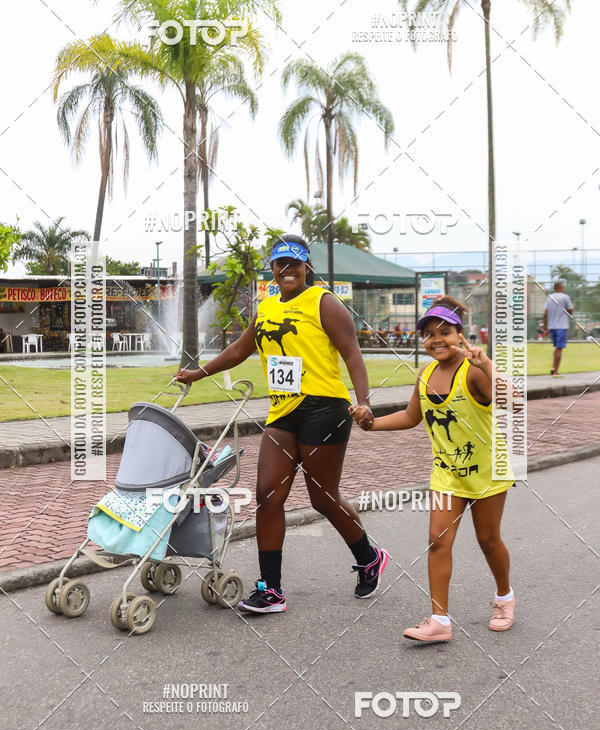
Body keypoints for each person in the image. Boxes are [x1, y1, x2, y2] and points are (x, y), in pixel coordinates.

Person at [175, 234, 388, 613]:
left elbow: (352, 354)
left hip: (325, 408)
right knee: (267, 495)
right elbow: (240, 349)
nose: (287, 270)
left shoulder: (324, 302)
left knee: (323, 498)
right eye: (280, 264)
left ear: (306, 266)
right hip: (282, 413)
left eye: (294, 263)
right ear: (272, 269)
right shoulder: (266, 307)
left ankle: (369, 557)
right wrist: (198, 373)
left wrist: (364, 402)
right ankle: (271, 589)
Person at [350, 296, 515, 644]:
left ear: (460, 334)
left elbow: (513, 401)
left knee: (488, 540)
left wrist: (488, 366)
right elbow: (412, 416)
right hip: (447, 474)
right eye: (428, 334)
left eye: (444, 332)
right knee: (438, 541)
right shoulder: (425, 375)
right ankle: (439, 620)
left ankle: (504, 596)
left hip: (487, 471)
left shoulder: (473, 372)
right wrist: (371, 424)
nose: (436, 340)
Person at [543, 281, 573, 376]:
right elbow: (570, 311)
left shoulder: (549, 298)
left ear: (554, 288)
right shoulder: (565, 297)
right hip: (562, 326)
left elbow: (545, 313)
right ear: (561, 288)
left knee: (557, 348)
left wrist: (545, 328)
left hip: (552, 327)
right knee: (559, 348)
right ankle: (555, 371)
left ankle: (553, 368)